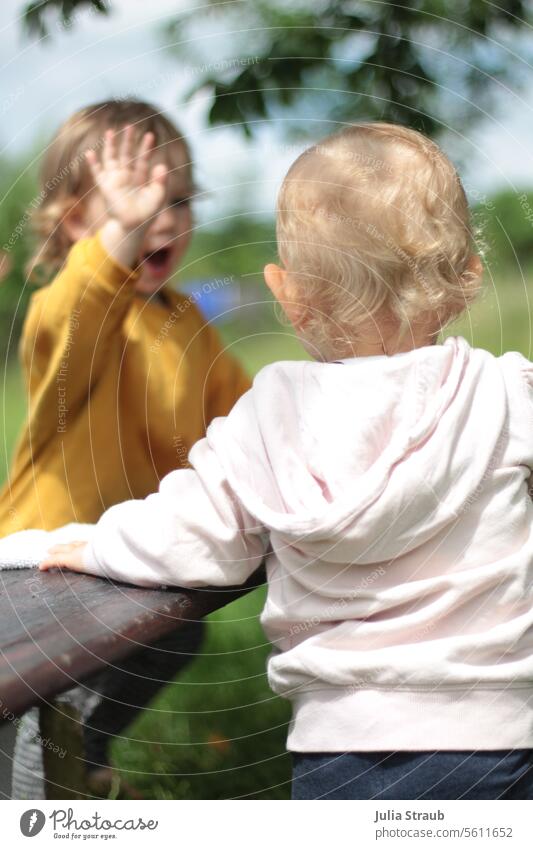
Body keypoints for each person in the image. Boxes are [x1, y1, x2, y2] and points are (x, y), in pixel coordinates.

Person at [38, 122, 533, 799]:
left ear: (287, 296)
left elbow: (189, 535)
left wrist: (94, 544)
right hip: (497, 735)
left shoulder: (269, 415)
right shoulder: (504, 391)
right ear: (466, 278)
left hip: (339, 745)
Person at [1, 100, 251, 798]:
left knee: (173, 637)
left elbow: (241, 414)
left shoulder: (184, 317)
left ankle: (81, 766)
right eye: (129, 204)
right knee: (51, 698)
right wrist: (117, 239)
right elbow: (81, 306)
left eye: (175, 198)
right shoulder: (68, 308)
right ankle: (41, 806)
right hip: (41, 559)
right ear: (70, 223)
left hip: (122, 556)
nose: (159, 216)